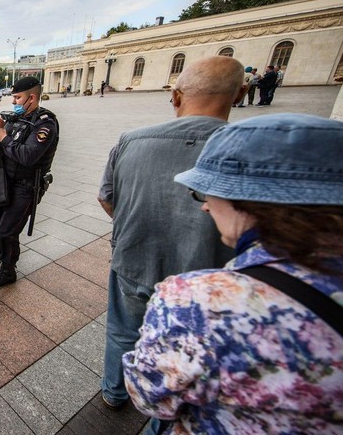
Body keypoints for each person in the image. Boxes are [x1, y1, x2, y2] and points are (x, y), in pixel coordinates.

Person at [123, 113, 343, 435]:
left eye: (206, 193)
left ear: (248, 202)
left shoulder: (200, 301)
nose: (205, 206)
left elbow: (148, 396)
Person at [97, 56, 245, 410]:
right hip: (207, 276)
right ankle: (171, 406)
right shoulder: (250, 149)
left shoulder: (131, 140)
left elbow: (106, 198)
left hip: (134, 260)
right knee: (193, 346)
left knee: (123, 331)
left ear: (176, 96)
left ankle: (115, 392)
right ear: (240, 94)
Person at [0, 76, 59, 287]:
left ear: (31, 98)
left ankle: (8, 270)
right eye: (13, 97)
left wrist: (3, 137)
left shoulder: (45, 124)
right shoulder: (14, 118)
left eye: (17, 97)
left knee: (8, 229)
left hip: (26, 185)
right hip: (5, 179)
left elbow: (27, 156)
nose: (14, 102)